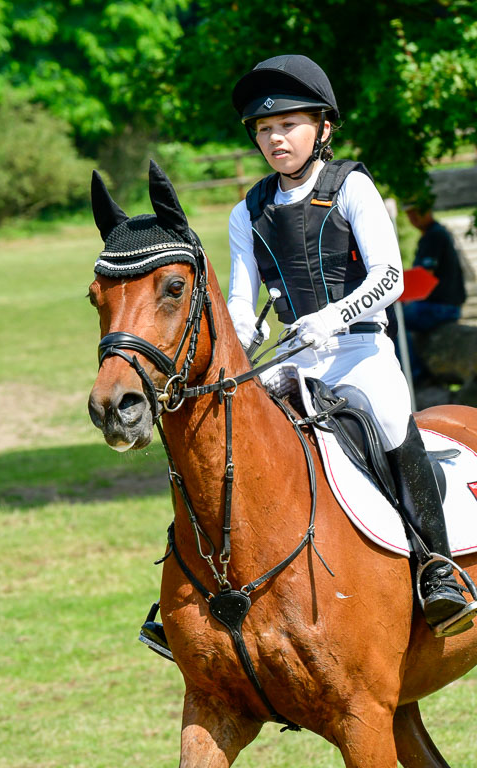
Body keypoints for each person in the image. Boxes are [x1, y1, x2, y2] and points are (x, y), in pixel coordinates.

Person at [226, 53, 476, 636]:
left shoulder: (352, 187)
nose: (274, 138)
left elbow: (389, 277)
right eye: (264, 129)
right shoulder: (249, 210)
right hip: (290, 361)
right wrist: (245, 329)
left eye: (287, 124)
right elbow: (241, 296)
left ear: (323, 127)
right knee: (227, 437)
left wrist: (333, 317)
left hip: (360, 353)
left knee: (389, 419)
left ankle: (437, 568)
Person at [400, 201, 467, 381]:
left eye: (417, 212)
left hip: (441, 307)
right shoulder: (433, 234)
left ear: (428, 210)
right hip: (442, 305)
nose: (413, 218)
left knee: (395, 319)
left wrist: (395, 293)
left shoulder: (434, 236)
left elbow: (423, 277)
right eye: (409, 214)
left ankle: (413, 375)